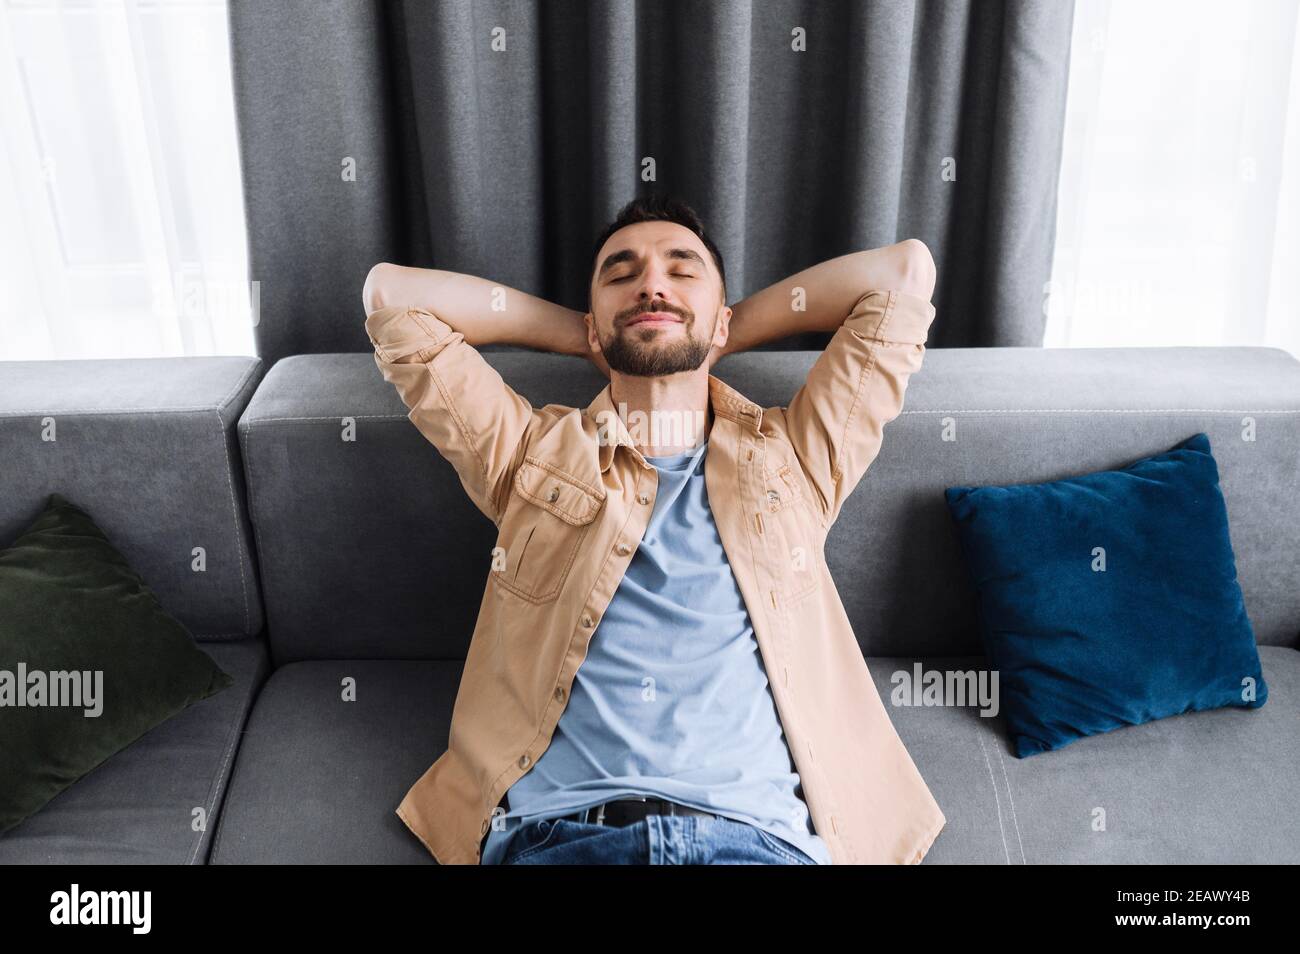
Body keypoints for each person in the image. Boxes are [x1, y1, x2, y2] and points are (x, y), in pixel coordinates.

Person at [362, 194, 945, 865]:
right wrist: (603, 332)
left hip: (759, 844)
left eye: (680, 269)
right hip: (562, 840)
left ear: (724, 319)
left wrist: (701, 329)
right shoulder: (527, 454)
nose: (652, 283)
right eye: (622, 273)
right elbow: (390, 296)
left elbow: (904, 274)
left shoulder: (800, 457)